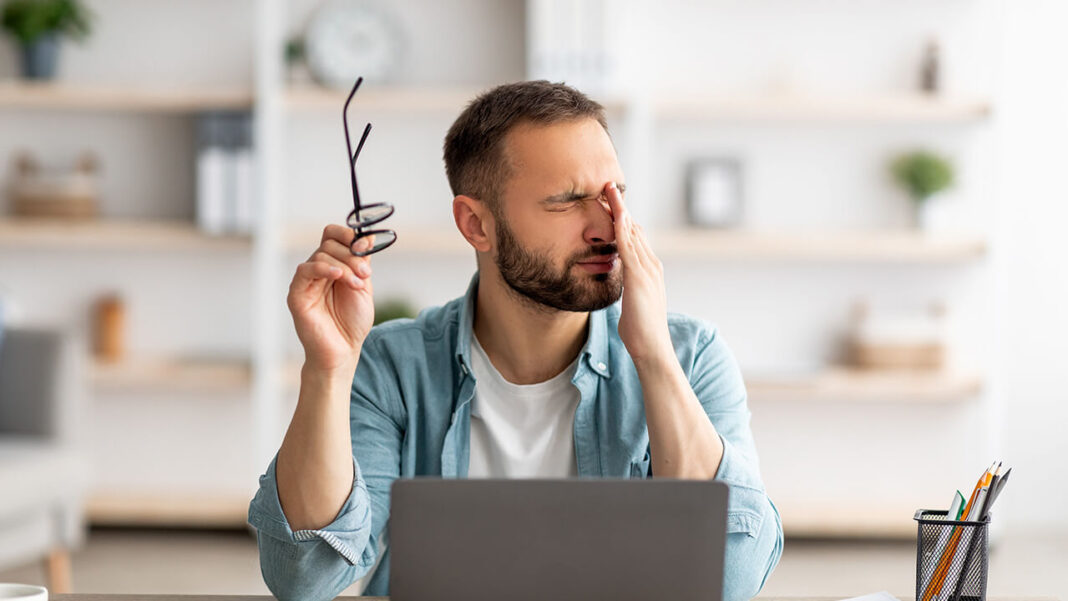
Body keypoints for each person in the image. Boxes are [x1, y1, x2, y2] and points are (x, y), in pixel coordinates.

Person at [248, 80, 783, 601]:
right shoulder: (395, 367)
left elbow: (730, 581)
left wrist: (653, 358)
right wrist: (328, 369)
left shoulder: (689, 356)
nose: (608, 228)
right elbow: (305, 582)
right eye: (568, 201)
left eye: (614, 195)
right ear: (476, 224)